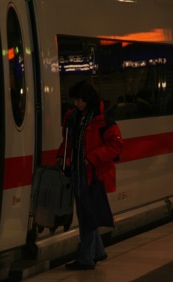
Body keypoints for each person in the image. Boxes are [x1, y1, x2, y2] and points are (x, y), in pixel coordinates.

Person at [56, 80, 123, 270]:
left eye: (79, 100)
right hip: (77, 172)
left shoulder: (104, 122)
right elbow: (67, 141)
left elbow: (116, 146)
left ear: (89, 100)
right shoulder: (72, 117)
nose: (75, 104)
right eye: (75, 100)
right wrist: (61, 156)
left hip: (94, 175)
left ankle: (86, 258)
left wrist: (91, 158)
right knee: (86, 214)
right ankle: (98, 252)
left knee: (86, 215)